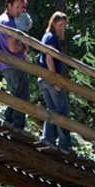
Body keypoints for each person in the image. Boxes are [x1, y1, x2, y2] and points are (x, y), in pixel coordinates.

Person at [37, 11, 73, 152]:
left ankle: (48, 138)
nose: (62, 28)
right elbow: (49, 58)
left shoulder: (47, 36)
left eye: (64, 26)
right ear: (53, 23)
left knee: (52, 110)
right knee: (62, 111)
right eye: (60, 25)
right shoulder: (51, 38)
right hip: (50, 79)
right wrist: (55, 80)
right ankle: (64, 144)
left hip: (43, 79)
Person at [0, 0, 32, 130]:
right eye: (17, 7)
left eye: (21, 7)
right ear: (9, 6)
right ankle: (17, 126)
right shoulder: (8, 22)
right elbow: (13, 47)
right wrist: (24, 47)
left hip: (5, 65)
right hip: (13, 64)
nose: (20, 10)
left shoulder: (1, 20)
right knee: (22, 97)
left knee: (16, 94)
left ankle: (7, 121)